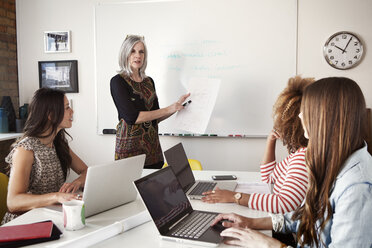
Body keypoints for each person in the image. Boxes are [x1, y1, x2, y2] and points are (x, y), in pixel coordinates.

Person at [211, 77, 372, 247]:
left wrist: (271, 245)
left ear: (324, 119)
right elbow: (306, 216)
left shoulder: (357, 188)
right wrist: (251, 222)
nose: (300, 116)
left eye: (306, 110)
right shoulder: (331, 159)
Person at [202, 76, 314, 214]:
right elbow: (268, 178)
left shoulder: (302, 158)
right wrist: (270, 140)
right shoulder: (299, 153)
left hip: (284, 230)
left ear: (290, 124)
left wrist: (234, 197)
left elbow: (283, 204)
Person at [1, 88, 88, 225]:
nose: (72, 112)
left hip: (49, 216)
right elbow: (13, 202)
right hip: (24, 223)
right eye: (67, 108)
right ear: (51, 115)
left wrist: (77, 182)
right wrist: (56, 196)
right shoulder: (25, 149)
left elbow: (86, 171)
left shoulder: (59, 144)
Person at [110, 35, 190, 169]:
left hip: (153, 151)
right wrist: (169, 108)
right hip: (130, 152)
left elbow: (156, 117)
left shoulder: (149, 82)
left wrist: (176, 106)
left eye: (141, 52)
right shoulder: (118, 81)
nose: (138, 56)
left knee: (156, 189)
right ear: (125, 54)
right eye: (133, 51)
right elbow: (132, 117)